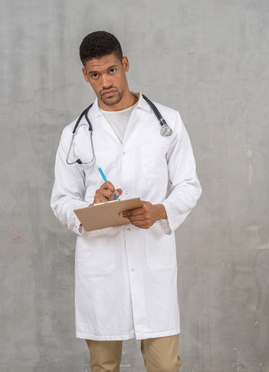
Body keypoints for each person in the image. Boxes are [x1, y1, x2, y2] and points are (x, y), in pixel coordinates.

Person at [51, 31, 202, 372]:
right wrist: (92, 204)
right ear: (85, 76)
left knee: (165, 366)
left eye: (111, 71)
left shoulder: (166, 122)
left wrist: (159, 210)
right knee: (104, 367)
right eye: (95, 74)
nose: (105, 81)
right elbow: (61, 200)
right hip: (102, 268)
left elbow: (189, 185)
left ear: (125, 65)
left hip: (152, 262)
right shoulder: (74, 134)